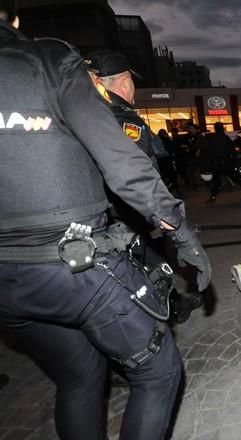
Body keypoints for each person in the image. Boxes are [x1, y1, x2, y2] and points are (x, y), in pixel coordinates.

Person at [0, 3, 211, 440]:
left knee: (78, 377)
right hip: (74, 269)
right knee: (159, 373)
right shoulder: (47, 60)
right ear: (14, 20)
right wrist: (182, 234)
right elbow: (124, 166)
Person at [86, 50, 203, 323]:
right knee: (151, 266)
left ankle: (168, 303)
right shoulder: (123, 119)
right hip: (125, 217)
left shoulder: (88, 116)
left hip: (98, 217)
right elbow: (133, 175)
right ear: (125, 81)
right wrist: (168, 218)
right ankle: (167, 309)